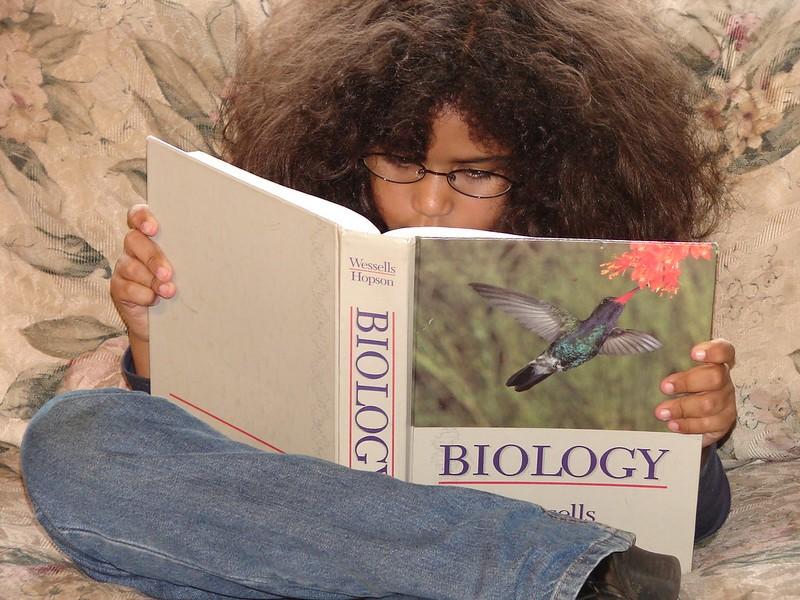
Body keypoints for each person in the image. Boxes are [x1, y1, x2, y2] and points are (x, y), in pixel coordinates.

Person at [18, 1, 736, 599]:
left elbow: (689, 522)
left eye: (475, 173)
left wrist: (697, 439)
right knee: (74, 436)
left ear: (551, 174)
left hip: (481, 532)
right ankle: (568, 579)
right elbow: (218, 460)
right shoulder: (295, 247)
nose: (428, 201)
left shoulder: (591, 274)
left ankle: (552, 570)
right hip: (327, 525)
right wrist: (154, 341)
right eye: (400, 162)